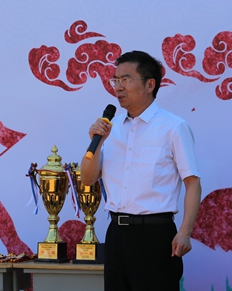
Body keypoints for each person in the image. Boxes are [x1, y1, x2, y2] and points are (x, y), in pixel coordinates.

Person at [80, 50, 202, 291]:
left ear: (150, 85)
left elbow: (192, 183)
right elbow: (88, 178)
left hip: (155, 235)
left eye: (126, 79)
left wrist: (185, 232)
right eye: (116, 80)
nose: (118, 87)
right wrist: (97, 141)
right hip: (117, 234)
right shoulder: (110, 128)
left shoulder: (173, 127)